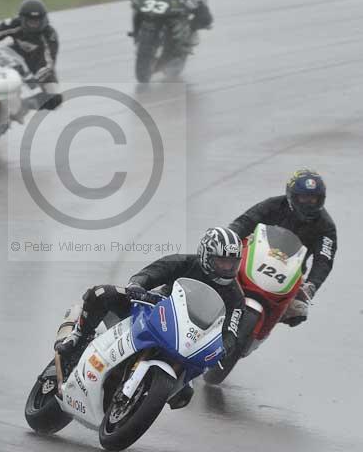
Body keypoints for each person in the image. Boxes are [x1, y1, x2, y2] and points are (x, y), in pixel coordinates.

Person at [55, 227, 245, 408]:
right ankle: (78, 336)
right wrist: (137, 286)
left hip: (190, 339)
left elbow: (232, 330)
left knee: (184, 396)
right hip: (155, 310)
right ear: (206, 255)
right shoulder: (184, 262)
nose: (227, 268)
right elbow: (151, 273)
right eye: (222, 262)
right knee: (101, 293)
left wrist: (224, 347)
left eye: (232, 263)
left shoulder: (235, 296)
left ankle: (142, 396)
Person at [228, 168, 337, 327]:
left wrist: (311, 286)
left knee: (298, 311)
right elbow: (245, 222)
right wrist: (228, 238)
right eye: (303, 197)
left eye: (313, 199)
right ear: (291, 195)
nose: (308, 203)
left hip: (289, 274)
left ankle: (261, 331)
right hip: (254, 259)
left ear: (321, 200)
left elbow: (324, 261)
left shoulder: (326, 227)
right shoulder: (273, 205)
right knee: (218, 274)